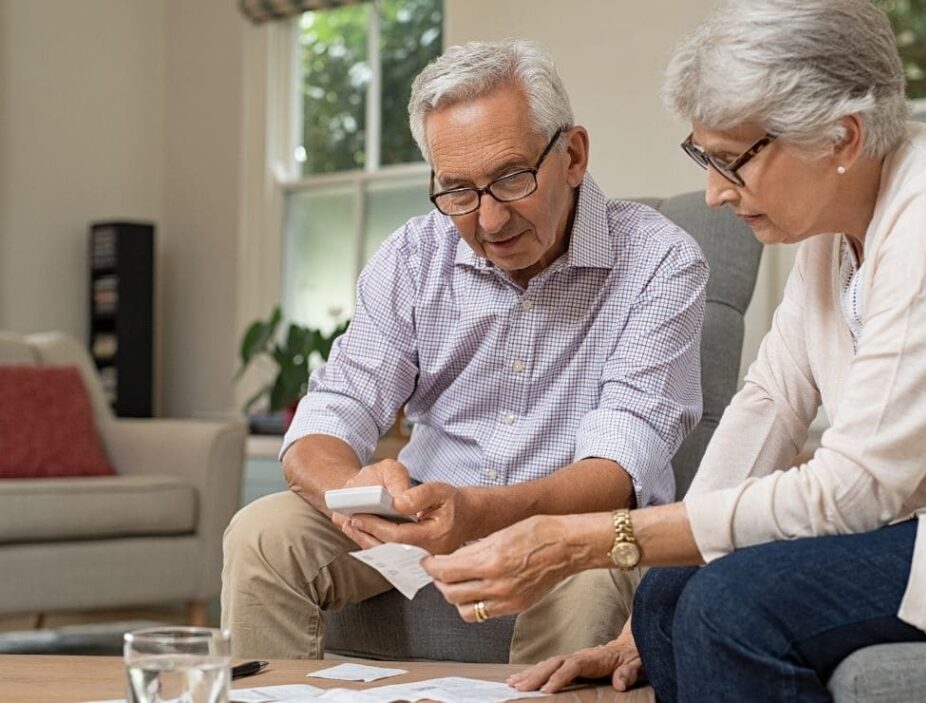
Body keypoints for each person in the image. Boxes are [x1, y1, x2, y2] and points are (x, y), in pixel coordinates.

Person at [421, 1, 926, 700]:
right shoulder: (834, 239)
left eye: (732, 160)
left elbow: (855, 488)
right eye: (705, 157)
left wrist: (585, 540)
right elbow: (768, 403)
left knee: (734, 607)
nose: (713, 192)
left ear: (844, 138)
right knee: (671, 594)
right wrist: (644, 613)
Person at [220, 39, 709, 664]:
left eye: (511, 178)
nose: (490, 220)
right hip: (421, 519)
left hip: (573, 529)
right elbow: (336, 406)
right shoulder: (412, 256)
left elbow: (618, 468)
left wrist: (478, 514)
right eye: (457, 190)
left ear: (574, 155)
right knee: (263, 535)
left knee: (593, 571)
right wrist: (354, 490)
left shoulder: (660, 261)